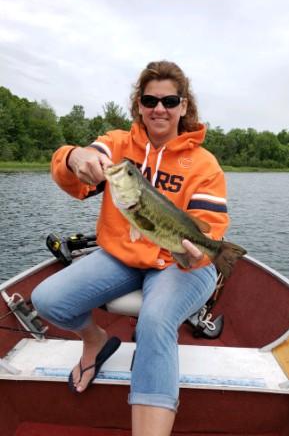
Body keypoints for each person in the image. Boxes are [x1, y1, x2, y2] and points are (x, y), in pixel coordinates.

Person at [32, 60, 230, 436]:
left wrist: (197, 254)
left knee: (156, 322)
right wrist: (74, 156)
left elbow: (211, 231)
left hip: (183, 262)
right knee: (47, 299)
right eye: (150, 100)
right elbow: (75, 172)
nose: (160, 108)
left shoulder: (205, 165)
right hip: (123, 257)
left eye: (170, 100)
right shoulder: (118, 146)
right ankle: (96, 339)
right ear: (138, 104)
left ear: (184, 106)